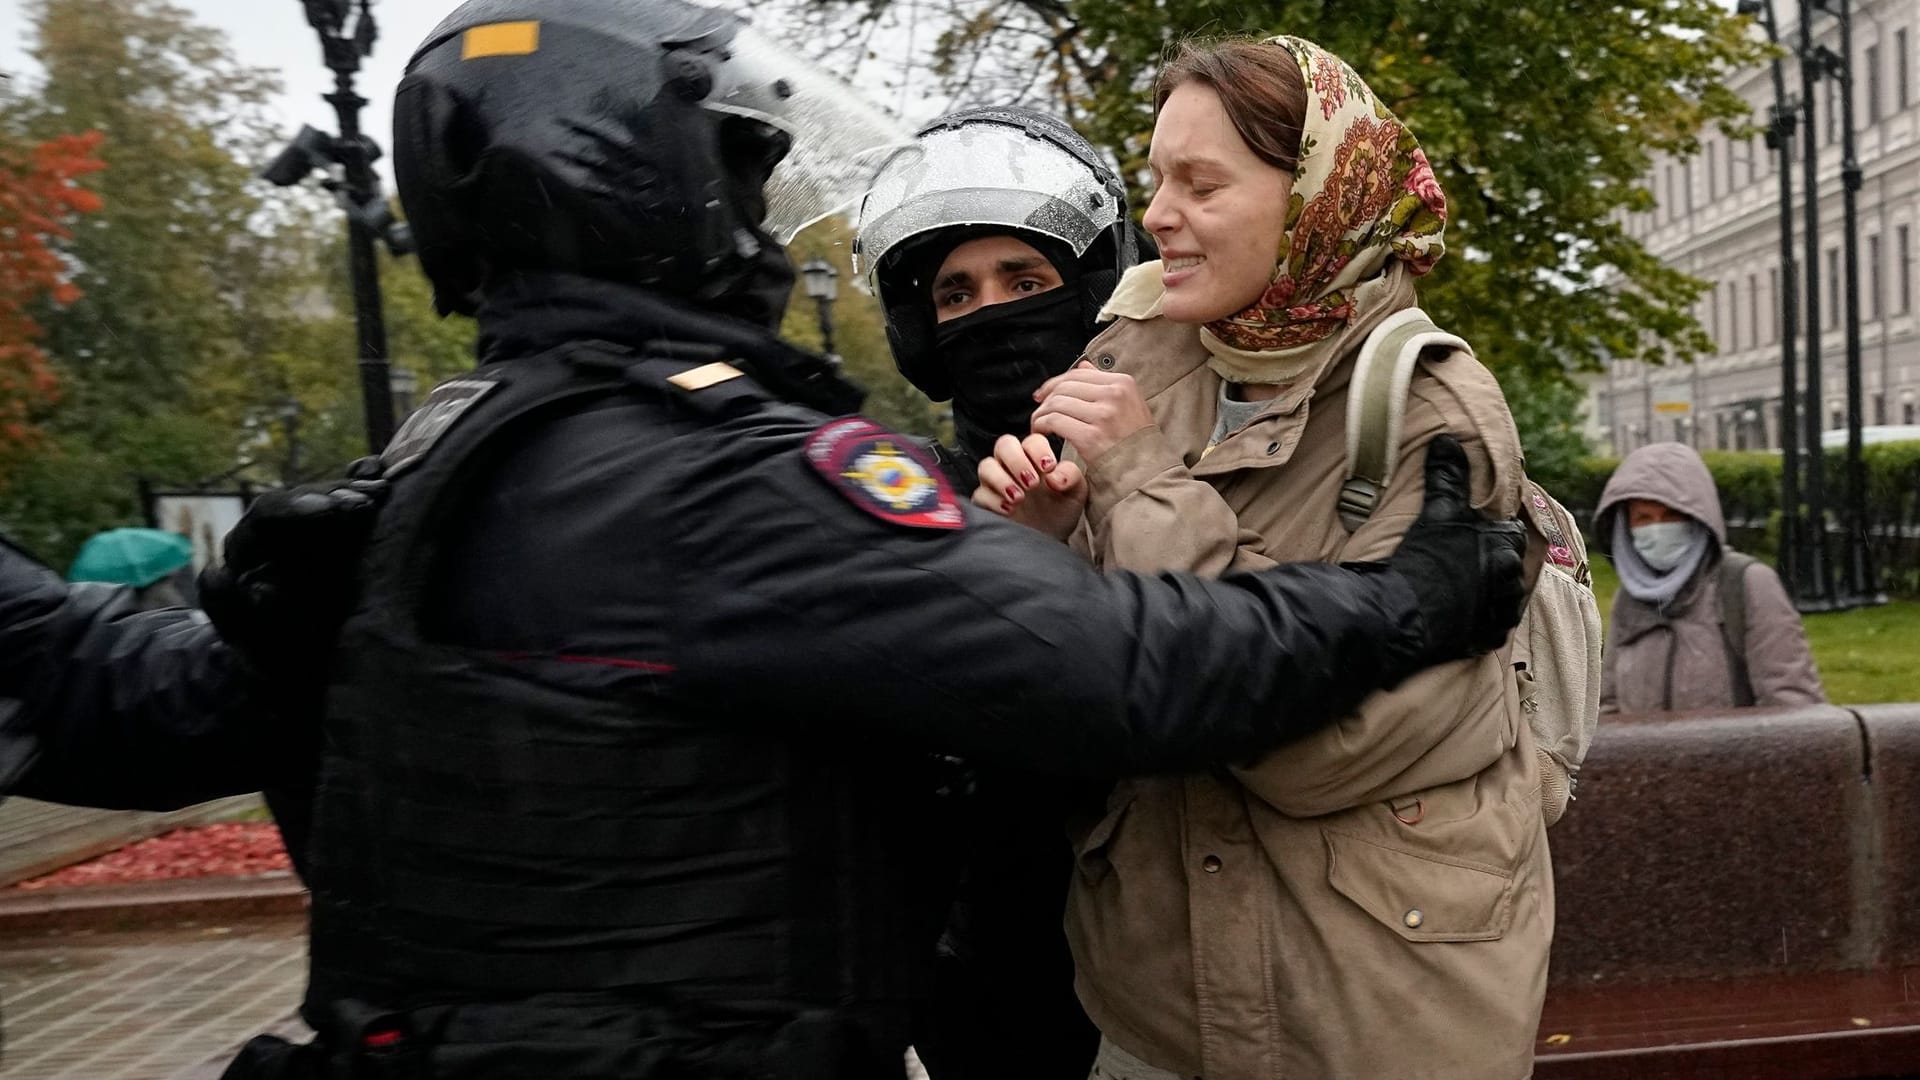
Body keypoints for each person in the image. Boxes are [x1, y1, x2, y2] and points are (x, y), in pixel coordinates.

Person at [204, 3, 1531, 1077]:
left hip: (1304, 994)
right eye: (727, 168)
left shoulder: (459, 446)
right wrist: (1406, 597)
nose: (750, 209)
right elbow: (1124, 667)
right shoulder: (718, 470)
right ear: (640, 188)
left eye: (1025, 280)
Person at [979, 36, 1552, 1080]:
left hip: (1375, 1011)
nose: (1155, 214)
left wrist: (1142, 481)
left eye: (1202, 183)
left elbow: (1325, 751)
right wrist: (1040, 549)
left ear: (1317, 198)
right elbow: (1079, 696)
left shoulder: (1428, 405)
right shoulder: (1132, 354)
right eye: (1155, 178)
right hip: (1152, 1010)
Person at [853, 103, 1147, 1077]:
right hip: (986, 977)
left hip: (1174, 954)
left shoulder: (1189, 459)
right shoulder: (903, 503)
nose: (991, 311)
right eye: (956, 294)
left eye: (1025, 280)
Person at [1596, 441, 1824, 713]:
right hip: (1645, 756)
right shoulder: (1629, 597)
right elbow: (1608, 706)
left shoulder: (1746, 584)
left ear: (1697, 517)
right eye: (1643, 518)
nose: (1658, 528)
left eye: (1671, 515)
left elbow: (1793, 705)